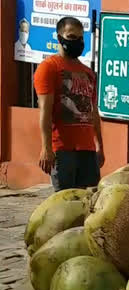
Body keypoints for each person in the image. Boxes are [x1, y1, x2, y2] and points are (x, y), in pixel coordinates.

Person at [34, 16, 104, 191]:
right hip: (62, 149)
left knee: (86, 201)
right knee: (64, 201)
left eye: (81, 38)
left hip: (87, 149)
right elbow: (45, 110)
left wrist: (99, 146)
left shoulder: (88, 73)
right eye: (72, 37)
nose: (78, 42)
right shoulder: (49, 67)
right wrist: (46, 147)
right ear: (59, 38)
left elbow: (93, 111)